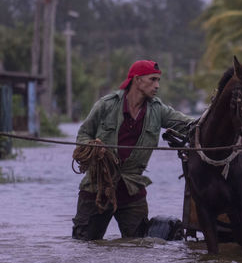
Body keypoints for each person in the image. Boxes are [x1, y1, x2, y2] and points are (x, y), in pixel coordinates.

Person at [72, 60, 193, 241]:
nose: (157, 85)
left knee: (138, 248)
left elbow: (189, 126)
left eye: (158, 80)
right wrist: (92, 147)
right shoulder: (106, 105)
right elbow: (83, 135)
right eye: (152, 80)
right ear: (137, 80)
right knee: (85, 246)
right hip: (97, 188)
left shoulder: (158, 110)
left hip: (132, 191)